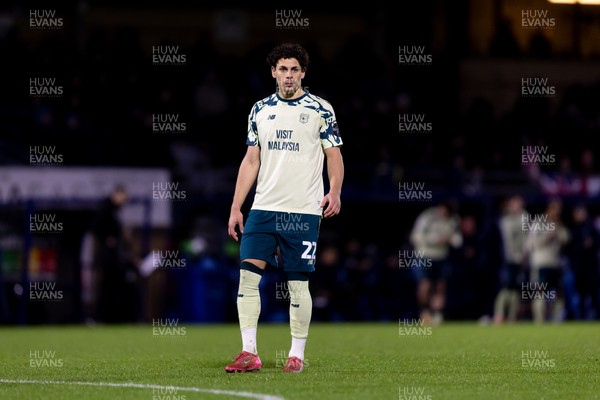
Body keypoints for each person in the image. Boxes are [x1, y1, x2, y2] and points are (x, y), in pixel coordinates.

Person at [225, 42, 344, 373]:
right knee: (247, 279)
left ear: (303, 73)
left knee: (297, 285)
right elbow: (251, 160)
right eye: (283, 69)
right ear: (273, 72)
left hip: (303, 211)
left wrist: (334, 191)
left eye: (294, 69)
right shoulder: (259, 109)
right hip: (263, 209)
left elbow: (333, 155)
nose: (288, 75)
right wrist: (237, 207)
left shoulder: (321, 110)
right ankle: (249, 353)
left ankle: (296, 355)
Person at [87, 184, 140, 323]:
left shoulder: (115, 212)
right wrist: (108, 239)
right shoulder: (106, 209)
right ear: (117, 194)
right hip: (108, 258)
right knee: (106, 287)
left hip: (115, 258)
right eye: (124, 197)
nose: (125, 201)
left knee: (115, 288)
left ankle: (113, 318)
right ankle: (98, 318)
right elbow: (96, 228)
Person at [409, 199, 462, 325]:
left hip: (441, 256)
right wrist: (435, 240)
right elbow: (415, 236)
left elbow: (458, 239)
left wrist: (450, 240)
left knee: (440, 286)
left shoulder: (453, 219)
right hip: (425, 255)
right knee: (425, 285)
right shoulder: (427, 217)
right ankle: (424, 312)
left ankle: (437, 314)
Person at [524, 198, 570, 323]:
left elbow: (566, 240)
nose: (557, 212)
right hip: (541, 262)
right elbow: (530, 244)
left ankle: (556, 320)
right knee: (540, 292)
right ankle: (539, 320)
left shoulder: (558, 224)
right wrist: (546, 239)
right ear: (549, 208)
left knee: (557, 293)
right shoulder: (537, 223)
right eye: (555, 209)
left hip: (555, 263)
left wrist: (559, 228)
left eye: (559, 210)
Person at [493, 194, 528, 324]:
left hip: (520, 260)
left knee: (516, 290)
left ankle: (512, 317)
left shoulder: (524, 217)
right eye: (513, 204)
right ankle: (499, 314)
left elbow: (527, 239)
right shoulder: (505, 220)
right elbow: (508, 238)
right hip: (508, 260)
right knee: (505, 288)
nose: (516, 207)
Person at [565, 203, 600, 320]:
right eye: (577, 213)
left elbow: (597, 243)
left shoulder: (591, 228)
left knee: (594, 293)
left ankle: (596, 316)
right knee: (580, 294)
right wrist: (582, 245)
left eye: (581, 212)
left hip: (592, 266)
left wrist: (592, 243)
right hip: (579, 267)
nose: (579, 215)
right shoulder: (573, 229)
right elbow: (569, 248)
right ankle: (580, 316)